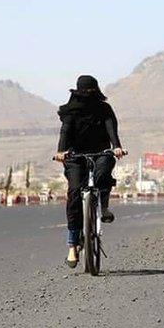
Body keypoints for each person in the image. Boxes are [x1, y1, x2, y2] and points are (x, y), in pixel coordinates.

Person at [54, 75, 126, 268]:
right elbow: (65, 131)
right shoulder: (71, 112)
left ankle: (103, 207)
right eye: (85, 92)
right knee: (75, 192)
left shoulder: (104, 109)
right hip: (75, 155)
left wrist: (117, 147)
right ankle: (72, 244)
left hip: (101, 152)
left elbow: (112, 129)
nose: (88, 95)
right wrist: (61, 151)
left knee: (103, 171)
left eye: (91, 92)